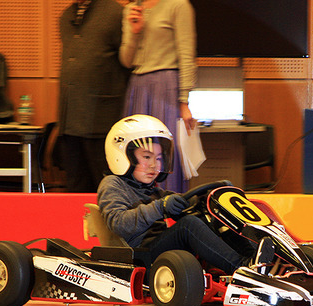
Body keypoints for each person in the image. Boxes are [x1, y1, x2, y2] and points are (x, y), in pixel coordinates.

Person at [97, 114, 273, 275]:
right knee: (188, 226)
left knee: (212, 219)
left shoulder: (153, 190)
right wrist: (160, 207)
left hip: (156, 250)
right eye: (147, 157)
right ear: (122, 155)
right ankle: (240, 267)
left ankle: (254, 258)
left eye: (158, 158)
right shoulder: (113, 184)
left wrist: (205, 199)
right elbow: (118, 223)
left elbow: (180, 202)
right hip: (138, 255)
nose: (153, 165)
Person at [119, 0, 197, 193]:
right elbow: (126, 60)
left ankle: (169, 211)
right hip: (137, 86)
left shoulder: (178, 5)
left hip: (166, 86)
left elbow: (187, 55)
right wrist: (134, 32)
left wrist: (184, 101)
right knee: (134, 151)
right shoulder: (132, 8)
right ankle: (136, 212)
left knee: (163, 152)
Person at [58, 0, 130, 192]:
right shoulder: (66, 16)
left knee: (106, 187)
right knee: (75, 187)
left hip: (102, 118)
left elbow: (130, 62)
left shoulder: (115, 13)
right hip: (70, 119)